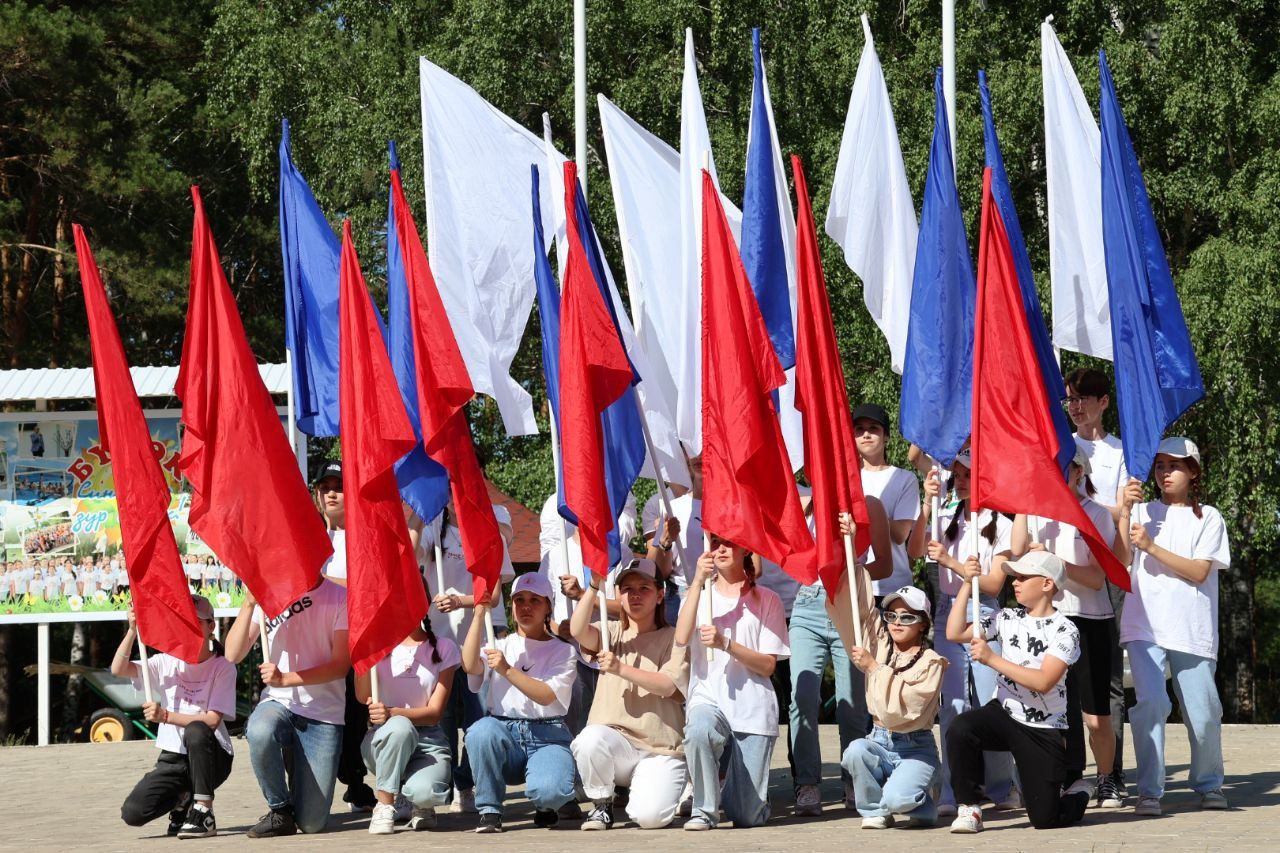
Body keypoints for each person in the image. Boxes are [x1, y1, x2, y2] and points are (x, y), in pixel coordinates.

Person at [1117, 437, 1231, 816]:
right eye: (1160, 465)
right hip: (1144, 626)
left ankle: (1209, 783)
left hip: (1192, 629)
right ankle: (1149, 791)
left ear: (1193, 472)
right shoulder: (1141, 512)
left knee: (1203, 713)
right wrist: (1122, 513)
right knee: (1150, 705)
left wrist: (1150, 547)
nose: (1165, 472)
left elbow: (1199, 572)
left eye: (1175, 465)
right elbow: (1118, 562)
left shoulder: (1209, 517)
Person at [1011, 446, 1124, 808]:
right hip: (1049, 620)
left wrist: (1053, 562)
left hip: (1090, 620)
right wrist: (1025, 502)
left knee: (1094, 716)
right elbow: (1016, 551)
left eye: (1064, 467)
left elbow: (1094, 578)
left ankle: (1107, 778)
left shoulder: (1095, 515)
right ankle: (1069, 778)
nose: (1056, 474)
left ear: (1079, 472)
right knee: (1055, 710)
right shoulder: (1036, 512)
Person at [944, 551, 1090, 833]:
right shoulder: (1006, 617)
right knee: (961, 728)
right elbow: (954, 632)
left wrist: (992, 659)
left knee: (1045, 820)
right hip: (1005, 712)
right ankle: (969, 807)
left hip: (1043, 727)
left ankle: (1079, 793)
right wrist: (966, 583)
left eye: (1023, 577)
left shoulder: (1066, 630)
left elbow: (1044, 681)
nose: (1015, 582)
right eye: (1015, 577)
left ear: (1047, 584)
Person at [922, 452, 1016, 814]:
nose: (961, 480)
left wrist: (951, 563)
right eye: (957, 475)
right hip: (950, 611)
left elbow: (993, 584)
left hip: (985, 613)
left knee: (991, 700)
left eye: (968, 474)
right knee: (953, 705)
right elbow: (916, 548)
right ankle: (953, 790)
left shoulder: (1000, 524)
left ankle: (1001, 786)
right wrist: (927, 504)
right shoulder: (945, 517)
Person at [676, 535, 789, 830]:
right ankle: (704, 810)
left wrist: (726, 643)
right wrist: (698, 583)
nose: (721, 549)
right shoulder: (699, 594)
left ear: (746, 549)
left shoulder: (768, 599)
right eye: (715, 543)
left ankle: (736, 794)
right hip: (708, 696)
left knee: (746, 816)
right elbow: (680, 638)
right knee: (699, 729)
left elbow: (767, 665)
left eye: (730, 543)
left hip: (752, 705)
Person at [225, 573, 350, 837]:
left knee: (312, 824)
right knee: (259, 730)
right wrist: (248, 604)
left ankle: (297, 763)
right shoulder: (269, 595)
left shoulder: (340, 597)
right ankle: (279, 809)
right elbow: (232, 654)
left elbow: (341, 666)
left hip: (323, 713)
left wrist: (285, 678)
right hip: (279, 703)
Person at [569, 558, 689, 830]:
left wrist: (620, 668)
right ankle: (601, 805)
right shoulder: (610, 632)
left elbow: (669, 686)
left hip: (661, 749)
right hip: (617, 744)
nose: (635, 595)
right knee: (588, 739)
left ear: (660, 595)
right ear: (617, 596)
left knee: (650, 818)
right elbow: (577, 630)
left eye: (644, 588)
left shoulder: (675, 637)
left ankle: (673, 786)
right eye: (627, 589)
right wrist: (592, 586)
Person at [789, 504, 893, 816]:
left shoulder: (870, 504)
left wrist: (847, 570)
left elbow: (885, 565)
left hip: (850, 604)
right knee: (802, 698)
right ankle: (806, 782)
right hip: (807, 603)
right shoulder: (805, 500)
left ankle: (855, 778)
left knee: (852, 704)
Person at [825, 573, 947, 829]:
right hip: (879, 738)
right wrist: (853, 560)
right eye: (891, 616)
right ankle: (876, 810)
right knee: (856, 751)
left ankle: (921, 797)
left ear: (922, 624)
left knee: (899, 799)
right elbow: (859, 611)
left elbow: (904, 709)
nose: (897, 623)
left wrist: (874, 667)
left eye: (907, 617)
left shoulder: (932, 662)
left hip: (915, 746)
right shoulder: (880, 644)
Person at [418, 499, 517, 814]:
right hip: (439, 641)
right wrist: (419, 506)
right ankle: (437, 787)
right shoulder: (435, 525)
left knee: (479, 719)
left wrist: (460, 600)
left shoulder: (491, 530)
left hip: (480, 641)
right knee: (442, 720)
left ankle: (466, 783)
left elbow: (495, 593)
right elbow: (407, 552)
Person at [461, 572, 578, 833]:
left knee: (551, 791)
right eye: (519, 600)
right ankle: (490, 809)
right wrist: (479, 615)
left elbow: (547, 695)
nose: (526, 607)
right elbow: (469, 665)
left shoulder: (564, 650)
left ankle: (546, 803)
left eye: (535, 600)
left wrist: (507, 670)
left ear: (548, 605)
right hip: (505, 734)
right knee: (480, 731)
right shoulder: (500, 644)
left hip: (547, 735)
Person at [114, 596, 236, 838]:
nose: (188, 629)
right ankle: (183, 801)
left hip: (213, 757)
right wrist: (132, 631)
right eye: (183, 623)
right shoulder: (165, 662)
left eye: (195, 623)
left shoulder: (222, 667)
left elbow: (211, 721)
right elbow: (118, 669)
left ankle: (203, 812)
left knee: (196, 729)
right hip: (173, 757)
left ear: (210, 626)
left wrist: (165, 715)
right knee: (133, 813)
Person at [1064, 366, 1131, 796]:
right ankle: (1070, 771)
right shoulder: (1061, 445)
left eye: (1084, 397)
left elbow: (1124, 514)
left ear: (1104, 401)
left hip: (1111, 565)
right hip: (1067, 560)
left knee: (1108, 679)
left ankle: (1111, 773)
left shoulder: (1122, 453)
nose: (1076, 405)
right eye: (1070, 397)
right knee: (1066, 678)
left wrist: (1091, 507)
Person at [354, 580, 460, 834]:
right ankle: (386, 803)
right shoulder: (376, 646)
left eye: (413, 598)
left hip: (429, 741)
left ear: (425, 603)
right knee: (400, 728)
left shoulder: (445, 648)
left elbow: (435, 715)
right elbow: (362, 696)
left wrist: (392, 712)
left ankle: (416, 800)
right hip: (383, 740)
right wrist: (366, 650)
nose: (405, 605)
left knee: (425, 793)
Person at [309, 460, 378, 814]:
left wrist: (323, 586)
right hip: (310, 643)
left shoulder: (363, 537)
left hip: (351, 642)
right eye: (325, 487)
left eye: (338, 486)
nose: (332, 493)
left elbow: (366, 590)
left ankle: (356, 782)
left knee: (353, 713)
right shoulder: (307, 537)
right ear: (317, 495)